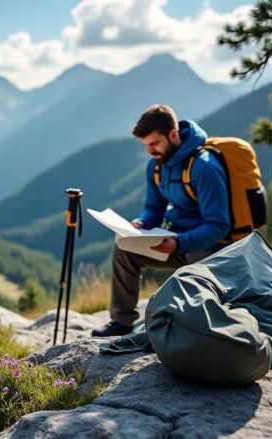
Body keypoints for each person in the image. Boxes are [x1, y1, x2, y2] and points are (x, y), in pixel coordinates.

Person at [92, 104, 232, 337]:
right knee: (124, 250)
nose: (150, 151)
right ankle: (121, 322)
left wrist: (179, 243)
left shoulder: (204, 167)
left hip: (212, 249)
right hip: (176, 241)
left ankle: (198, 329)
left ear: (173, 135)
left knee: (190, 285)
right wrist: (142, 223)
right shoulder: (156, 166)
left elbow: (219, 226)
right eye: (146, 145)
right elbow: (153, 207)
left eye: (155, 143)